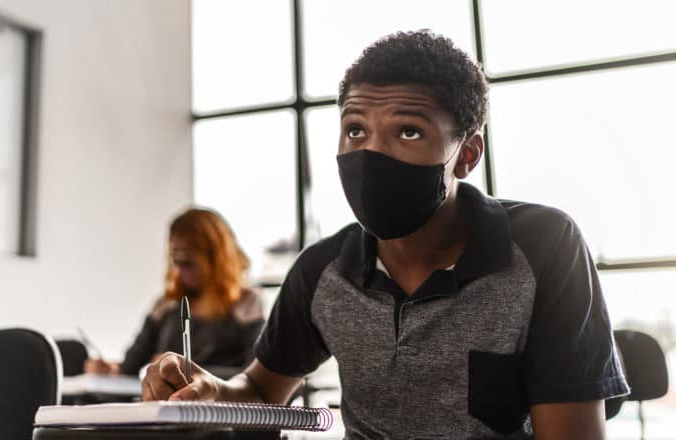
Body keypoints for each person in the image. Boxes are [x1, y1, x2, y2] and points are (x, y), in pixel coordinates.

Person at [141, 31, 629, 439]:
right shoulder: (323, 271)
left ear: (467, 154)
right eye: (355, 129)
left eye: (408, 132)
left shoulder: (545, 246)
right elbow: (264, 390)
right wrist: (209, 389)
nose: (371, 154)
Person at [84, 207, 264, 378]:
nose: (179, 271)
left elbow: (256, 377)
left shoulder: (246, 304)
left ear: (216, 259)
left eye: (188, 263)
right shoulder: (166, 304)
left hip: (219, 407)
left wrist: (183, 370)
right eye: (175, 262)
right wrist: (109, 371)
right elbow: (129, 366)